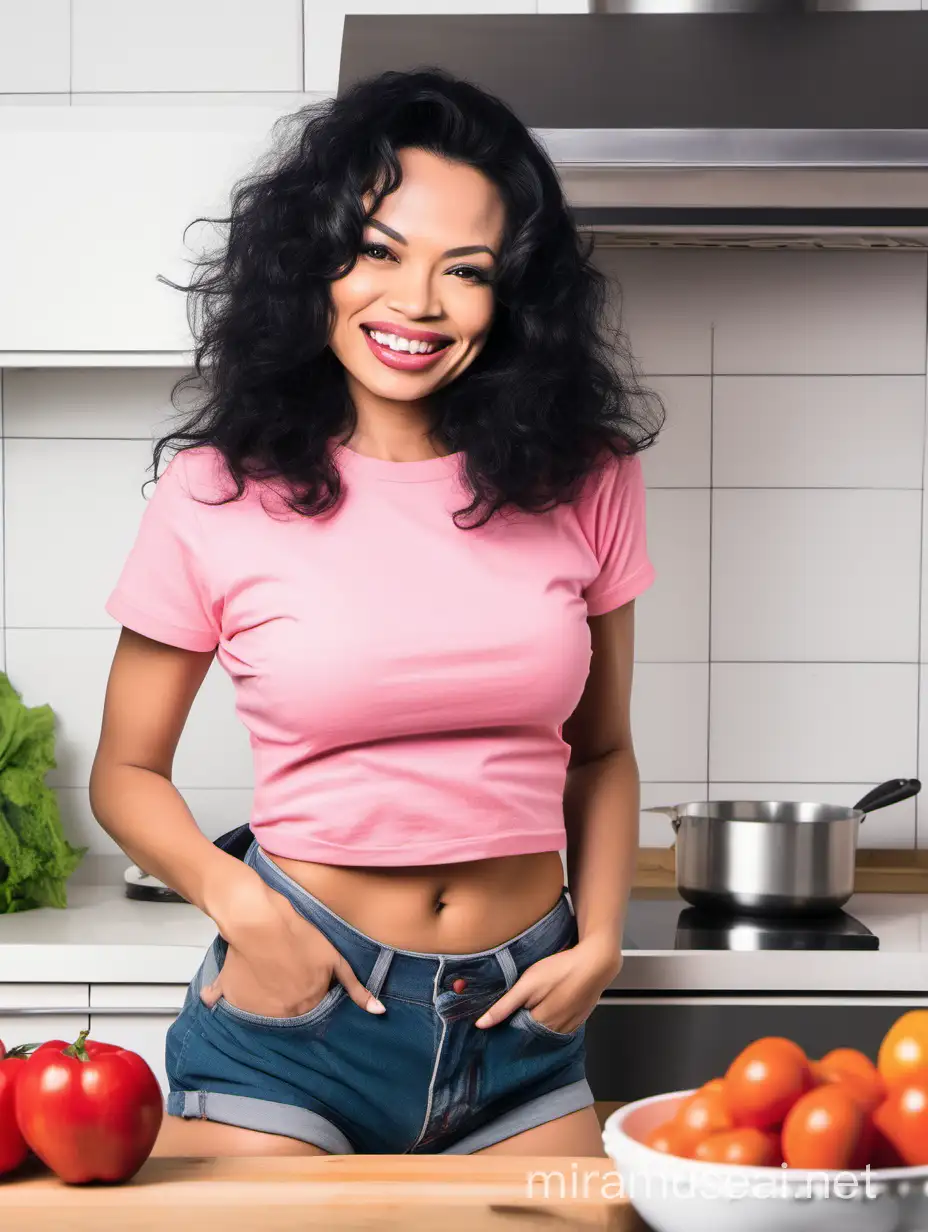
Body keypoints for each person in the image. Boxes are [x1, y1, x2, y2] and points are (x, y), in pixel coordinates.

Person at [89, 67, 663, 1158]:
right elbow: (125, 771)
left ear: (515, 299)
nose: (417, 302)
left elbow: (603, 750)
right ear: (315, 262)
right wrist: (239, 903)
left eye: (467, 271)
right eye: (379, 251)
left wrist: (601, 943)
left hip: (523, 1033)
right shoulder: (216, 491)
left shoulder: (587, 477)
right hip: (292, 1019)